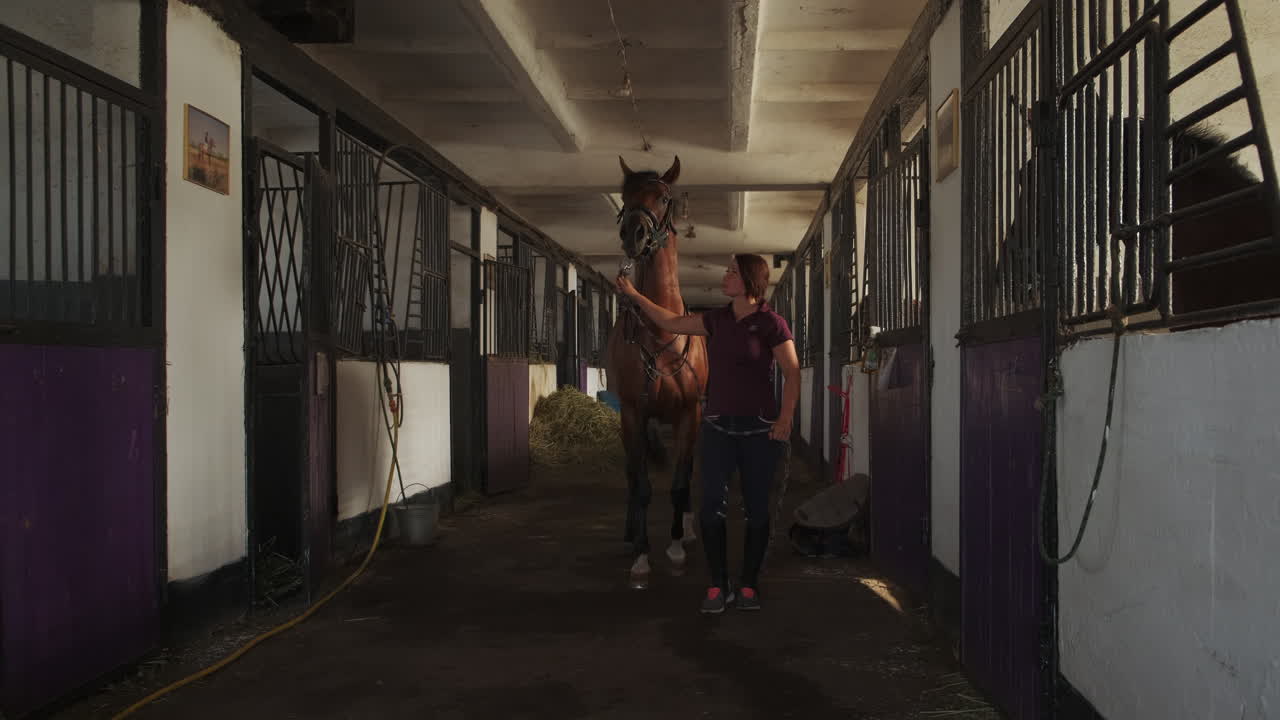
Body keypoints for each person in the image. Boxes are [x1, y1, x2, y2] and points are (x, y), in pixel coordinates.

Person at [615, 253, 801, 614]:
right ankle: (718, 585)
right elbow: (670, 320)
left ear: (749, 280)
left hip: (760, 429)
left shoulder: (771, 324)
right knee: (710, 511)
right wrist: (635, 295)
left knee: (758, 512)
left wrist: (785, 418)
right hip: (717, 427)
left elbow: (792, 372)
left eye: (732, 272)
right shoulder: (716, 320)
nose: (725, 276)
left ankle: (748, 585)